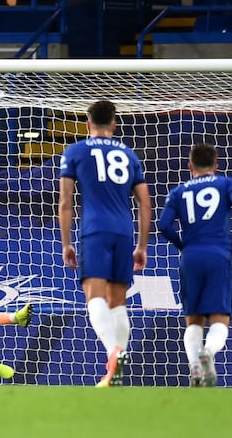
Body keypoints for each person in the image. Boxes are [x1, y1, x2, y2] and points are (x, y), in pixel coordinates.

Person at [58, 99, 151, 387]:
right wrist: (142, 245)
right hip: (123, 232)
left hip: (94, 230)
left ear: (87, 124)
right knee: (118, 302)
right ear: (113, 123)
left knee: (94, 297)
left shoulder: (75, 151)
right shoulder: (129, 154)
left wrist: (66, 243)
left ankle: (114, 351)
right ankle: (116, 373)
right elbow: (145, 205)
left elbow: (65, 201)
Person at [156, 143, 232, 388]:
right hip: (218, 255)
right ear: (216, 165)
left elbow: (163, 225)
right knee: (220, 320)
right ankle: (208, 353)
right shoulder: (225, 184)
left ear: (190, 166)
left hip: (190, 257)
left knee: (193, 321)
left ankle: (194, 369)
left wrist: (183, 246)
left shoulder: (178, 191)